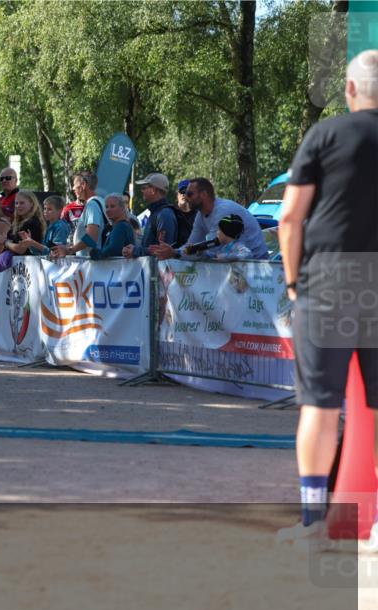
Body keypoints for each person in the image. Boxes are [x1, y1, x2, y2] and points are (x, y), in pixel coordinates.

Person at [274, 49, 378, 547]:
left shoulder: (325, 135)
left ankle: (314, 526)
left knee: (318, 405)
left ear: (350, 89)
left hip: (329, 279)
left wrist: (295, 284)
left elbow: (289, 218)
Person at [148, 178, 268, 260]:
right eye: (184, 194)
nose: (186, 197)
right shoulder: (201, 215)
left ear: (204, 194)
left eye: (190, 194)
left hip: (257, 266)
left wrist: (175, 253)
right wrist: (175, 252)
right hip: (240, 267)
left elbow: (211, 248)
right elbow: (192, 245)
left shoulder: (222, 211)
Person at [123, 173, 178, 258]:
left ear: (153, 190)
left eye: (144, 188)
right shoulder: (156, 213)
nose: (142, 191)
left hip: (160, 270)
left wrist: (135, 251)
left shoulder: (164, 215)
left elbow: (162, 251)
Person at [51, 172, 103, 259]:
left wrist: (70, 250)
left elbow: (91, 237)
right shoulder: (100, 202)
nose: (73, 188)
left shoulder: (92, 205)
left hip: (90, 262)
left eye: (74, 184)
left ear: (83, 185)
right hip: (90, 261)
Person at [83, 194, 135, 259]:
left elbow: (113, 249)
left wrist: (95, 253)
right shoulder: (123, 226)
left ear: (122, 208)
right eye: (106, 207)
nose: (108, 210)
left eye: (112, 206)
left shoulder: (121, 226)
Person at [181, 214, 250, 260]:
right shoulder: (224, 247)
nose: (217, 232)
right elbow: (214, 256)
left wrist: (226, 257)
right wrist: (201, 252)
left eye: (219, 230)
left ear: (226, 232)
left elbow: (247, 254)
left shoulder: (238, 245)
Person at [4, 190, 46, 256]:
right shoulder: (18, 222)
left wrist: (6, 242)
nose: (18, 206)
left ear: (32, 203)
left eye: (22, 203)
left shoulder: (31, 223)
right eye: (16, 203)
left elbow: (21, 249)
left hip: (29, 264)